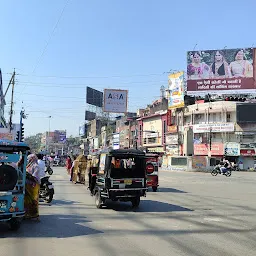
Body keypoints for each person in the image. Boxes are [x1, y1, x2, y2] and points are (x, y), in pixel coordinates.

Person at [24, 154, 41, 221]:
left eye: (30, 158)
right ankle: (27, 214)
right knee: (27, 200)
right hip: (27, 185)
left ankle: (34, 215)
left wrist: (27, 175)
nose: (29, 160)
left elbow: (35, 177)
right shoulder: (28, 165)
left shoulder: (36, 166)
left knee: (33, 200)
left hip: (33, 186)